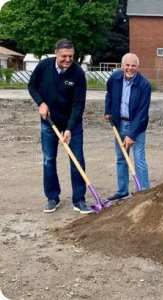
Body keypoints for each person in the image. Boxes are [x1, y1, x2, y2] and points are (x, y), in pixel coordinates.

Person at [28, 39, 91, 214]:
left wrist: (69, 128)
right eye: (64, 56)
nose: (68, 59)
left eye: (71, 56)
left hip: (72, 122)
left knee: (77, 160)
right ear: (55, 53)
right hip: (49, 121)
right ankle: (52, 197)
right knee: (49, 160)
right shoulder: (44, 66)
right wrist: (41, 103)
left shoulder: (77, 73)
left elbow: (79, 104)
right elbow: (32, 86)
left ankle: (79, 199)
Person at [105, 53, 151, 201]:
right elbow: (109, 95)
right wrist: (108, 110)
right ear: (122, 65)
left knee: (139, 158)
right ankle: (122, 190)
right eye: (127, 65)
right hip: (119, 123)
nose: (130, 68)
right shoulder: (114, 78)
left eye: (133, 65)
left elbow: (142, 113)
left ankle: (143, 192)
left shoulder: (144, 85)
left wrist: (132, 134)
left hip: (137, 125)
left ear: (137, 66)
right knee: (121, 158)